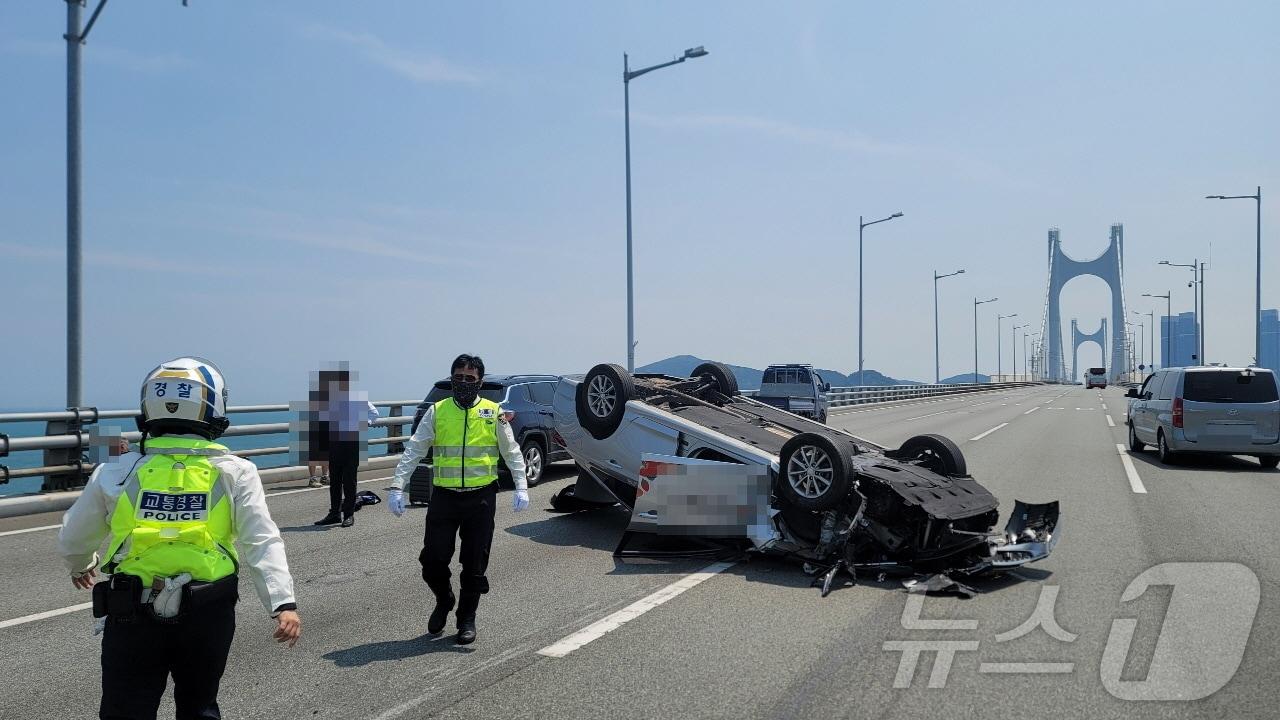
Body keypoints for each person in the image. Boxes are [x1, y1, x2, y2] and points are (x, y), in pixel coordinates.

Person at [58, 356, 301, 720]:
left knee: (126, 708)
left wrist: (82, 564)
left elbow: (74, 537)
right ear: (214, 407)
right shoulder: (235, 471)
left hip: (130, 611)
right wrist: (282, 603)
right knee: (199, 706)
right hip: (208, 609)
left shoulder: (117, 470)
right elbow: (261, 541)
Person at [388, 354, 529, 644]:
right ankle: (444, 598)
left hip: (481, 498)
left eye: (470, 378)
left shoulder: (493, 412)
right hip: (444, 497)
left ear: (480, 382)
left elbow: (512, 451)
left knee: (475, 563)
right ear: (452, 378)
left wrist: (521, 485)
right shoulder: (438, 411)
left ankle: (466, 619)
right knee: (432, 560)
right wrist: (397, 485)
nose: (463, 383)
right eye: (459, 377)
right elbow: (414, 449)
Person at [310, 367, 380, 528]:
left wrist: (364, 424)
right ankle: (334, 513)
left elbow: (374, 414)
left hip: (351, 442)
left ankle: (348, 514)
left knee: (349, 481)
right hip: (334, 443)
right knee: (334, 481)